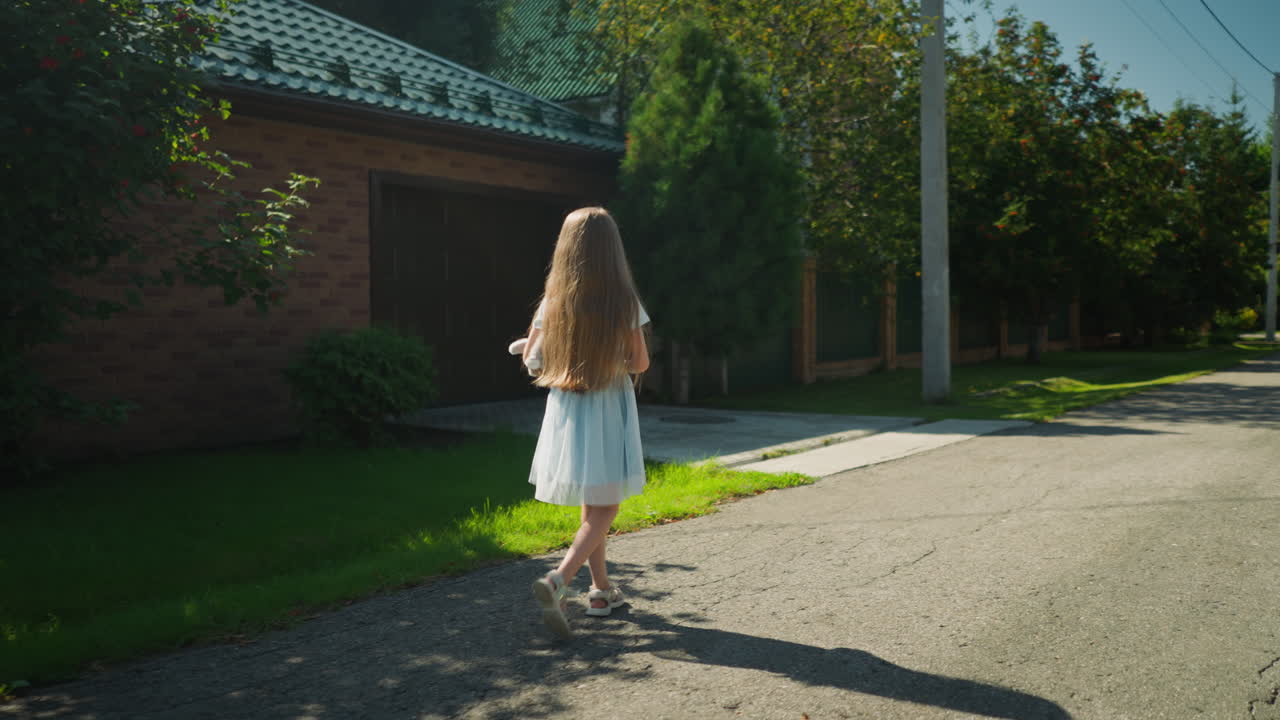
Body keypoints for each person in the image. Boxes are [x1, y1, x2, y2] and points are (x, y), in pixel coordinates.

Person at [521, 207, 650, 639]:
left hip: (569, 410)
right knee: (607, 505)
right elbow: (640, 362)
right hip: (608, 405)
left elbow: (532, 359)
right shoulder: (623, 300)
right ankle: (558, 579)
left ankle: (600, 591)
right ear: (613, 251)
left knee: (593, 500)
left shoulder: (552, 302)